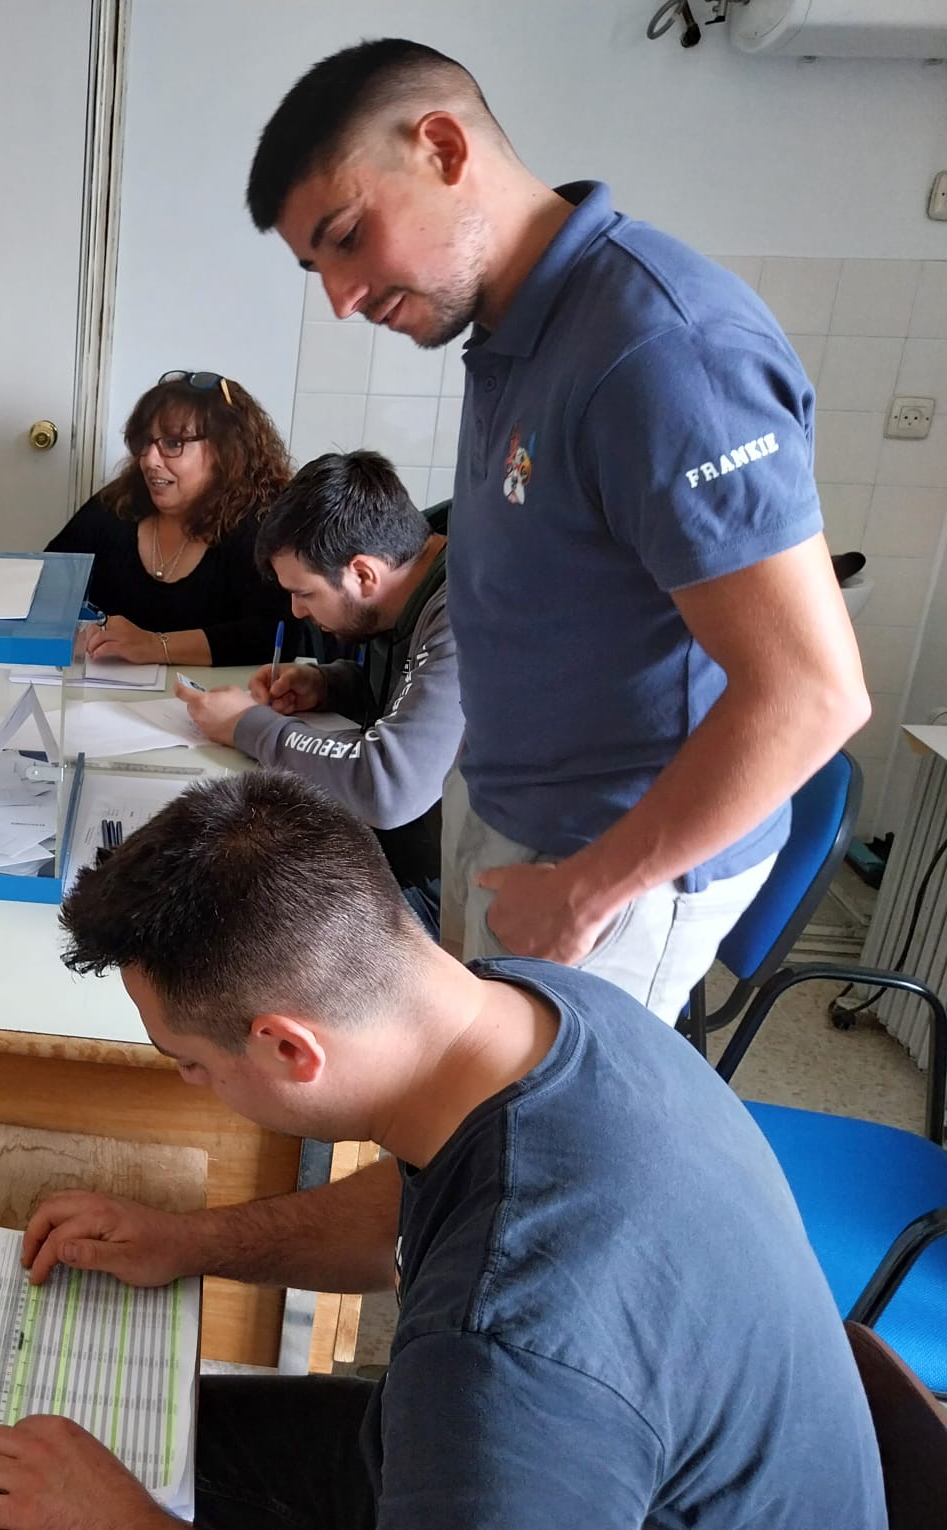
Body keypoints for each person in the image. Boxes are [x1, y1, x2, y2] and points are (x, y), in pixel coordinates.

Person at [0, 771, 884, 1530]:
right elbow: (422, 1200)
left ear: (289, 1048)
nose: (187, 1085)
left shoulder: (497, 1353)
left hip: (561, 1460)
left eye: (190, 1064)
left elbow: (504, 1316)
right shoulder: (538, 1012)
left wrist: (124, 1523)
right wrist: (190, 1241)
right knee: (113, 1442)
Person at [244, 40, 868, 1020]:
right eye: (317, 267)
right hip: (506, 828)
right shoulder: (516, 336)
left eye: (349, 237)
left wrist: (591, 889)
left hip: (601, 869)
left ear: (442, 147)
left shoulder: (661, 349)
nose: (341, 300)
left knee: (524, 1152)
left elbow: (812, 694)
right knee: (468, 1132)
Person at [181, 451, 458, 935]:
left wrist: (248, 726)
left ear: (363, 574)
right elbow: (416, 695)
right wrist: (329, 684)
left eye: (305, 593)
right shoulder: (411, 573)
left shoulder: (462, 615)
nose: (298, 611)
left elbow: (387, 785)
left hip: (453, 891)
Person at [46, 371, 302, 668]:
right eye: (145, 443)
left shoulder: (260, 525)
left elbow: (276, 636)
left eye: (172, 444)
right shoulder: (117, 505)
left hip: (216, 701)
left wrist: (156, 646)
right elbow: (48, 581)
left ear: (225, 451)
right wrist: (73, 629)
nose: (149, 460)